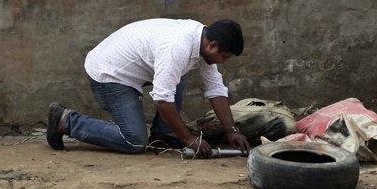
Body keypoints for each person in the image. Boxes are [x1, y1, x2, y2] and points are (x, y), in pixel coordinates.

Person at [46, 19, 251, 157]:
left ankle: (163, 134)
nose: (223, 62)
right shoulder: (177, 48)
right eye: (224, 57)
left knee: (178, 72)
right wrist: (188, 139)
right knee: (134, 141)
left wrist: (231, 130)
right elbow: (162, 99)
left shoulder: (201, 40)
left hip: (129, 68)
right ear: (213, 45)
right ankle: (66, 120)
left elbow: (215, 88)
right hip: (109, 74)